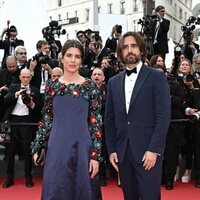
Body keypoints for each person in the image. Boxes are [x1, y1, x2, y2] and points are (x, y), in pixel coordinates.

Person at [32, 39, 102, 199]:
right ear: (61, 57)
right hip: (57, 147)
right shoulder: (52, 85)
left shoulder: (90, 86)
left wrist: (95, 156)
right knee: (56, 189)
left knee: (82, 190)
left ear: (81, 60)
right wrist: (38, 146)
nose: (73, 60)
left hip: (83, 148)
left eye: (77, 56)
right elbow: (47, 118)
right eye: (69, 55)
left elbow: (96, 124)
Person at [105, 31, 171, 200]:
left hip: (148, 153)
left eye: (134, 46)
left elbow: (163, 116)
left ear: (141, 49)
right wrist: (112, 149)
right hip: (123, 153)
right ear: (120, 52)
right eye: (125, 47)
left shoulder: (156, 76)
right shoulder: (113, 82)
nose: (130, 50)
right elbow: (110, 119)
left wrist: (154, 149)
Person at [2, 68, 42, 188]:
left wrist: (31, 103)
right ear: (20, 77)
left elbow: (38, 110)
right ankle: (9, 178)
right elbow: (5, 100)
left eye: (28, 77)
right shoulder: (14, 87)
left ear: (30, 77)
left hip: (27, 122)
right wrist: (17, 94)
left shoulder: (34, 90)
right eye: (23, 77)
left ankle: (28, 178)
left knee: (27, 151)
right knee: (10, 152)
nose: (25, 79)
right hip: (13, 121)